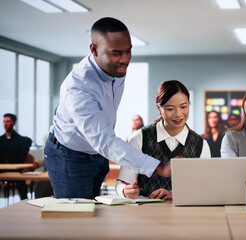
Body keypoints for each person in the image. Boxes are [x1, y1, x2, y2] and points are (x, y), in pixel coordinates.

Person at [44, 17, 170, 199]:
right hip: (69, 155)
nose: (125, 60)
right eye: (117, 53)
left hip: (96, 153)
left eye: (128, 51)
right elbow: (105, 141)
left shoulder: (115, 68)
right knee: (75, 219)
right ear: (94, 50)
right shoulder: (78, 87)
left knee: (94, 214)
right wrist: (159, 167)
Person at [116, 80, 211, 200]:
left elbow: (206, 187)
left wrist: (177, 193)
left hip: (186, 214)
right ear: (159, 108)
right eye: (170, 109)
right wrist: (125, 191)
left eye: (183, 107)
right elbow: (122, 183)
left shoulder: (201, 144)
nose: (178, 114)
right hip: (145, 213)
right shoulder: (140, 138)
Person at [0, 113, 32, 200]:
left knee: (20, 179)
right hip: (2, 170)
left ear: (13, 123)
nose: (5, 124)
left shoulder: (21, 141)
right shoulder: (1, 140)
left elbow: (19, 157)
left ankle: (24, 200)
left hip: (17, 170)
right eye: (4, 121)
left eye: (8, 121)